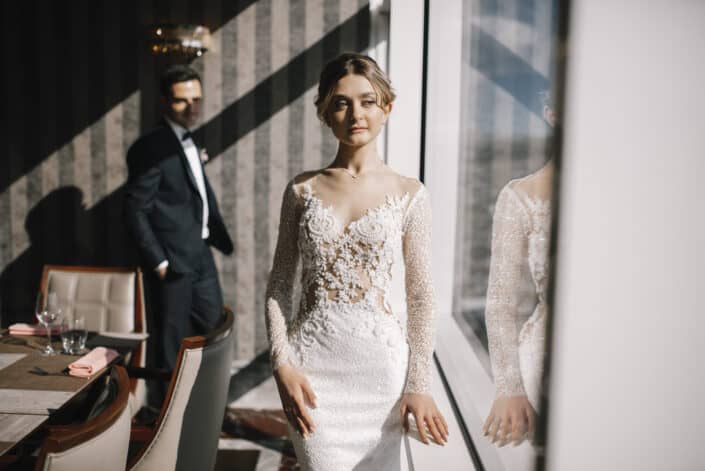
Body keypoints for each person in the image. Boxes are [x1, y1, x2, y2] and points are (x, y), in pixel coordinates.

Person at [264, 53, 448, 470]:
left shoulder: (410, 194)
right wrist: (281, 363)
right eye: (342, 102)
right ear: (326, 112)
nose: (355, 114)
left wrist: (419, 385)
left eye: (367, 101)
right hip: (311, 372)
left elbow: (421, 297)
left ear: (387, 107)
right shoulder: (301, 190)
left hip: (382, 375)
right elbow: (278, 284)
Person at [124, 64, 233, 408]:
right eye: (182, 102)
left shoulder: (188, 137)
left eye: (197, 100)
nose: (192, 108)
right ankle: (165, 416)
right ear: (163, 102)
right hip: (171, 261)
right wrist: (158, 261)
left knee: (214, 327)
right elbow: (134, 210)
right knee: (170, 345)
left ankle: (204, 407)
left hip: (200, 252)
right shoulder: (150, 147)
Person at [482, 95, 555, 446]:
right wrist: (508, 387)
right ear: (550, 114)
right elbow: (500, 302)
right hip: (548, 357)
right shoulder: (520, 196)